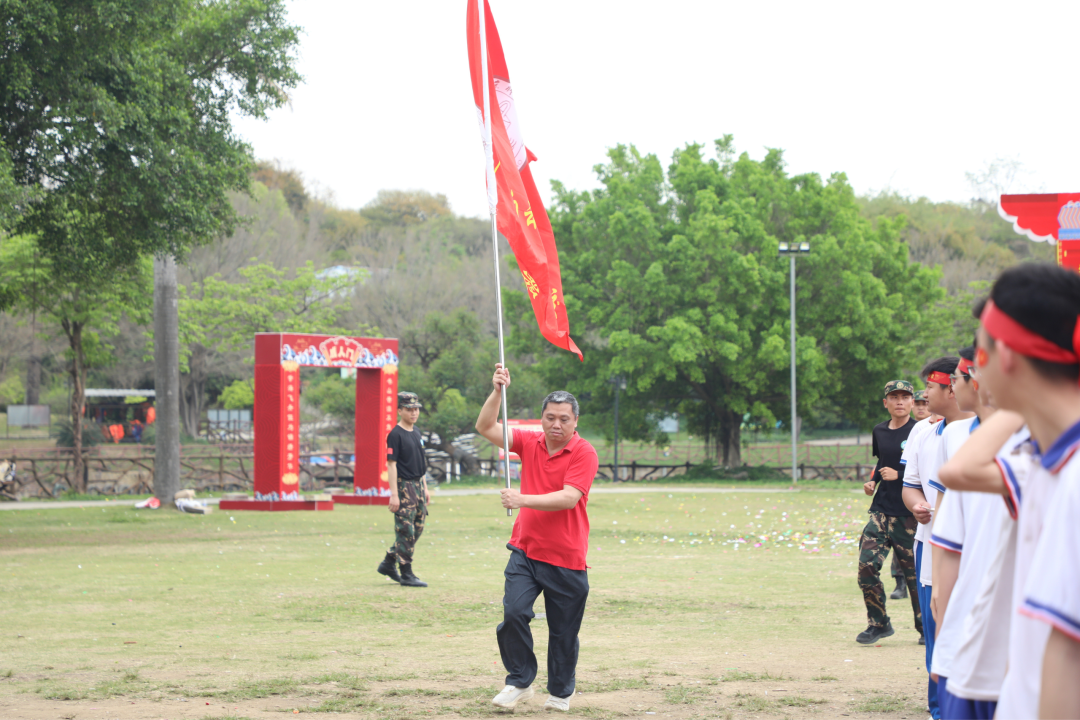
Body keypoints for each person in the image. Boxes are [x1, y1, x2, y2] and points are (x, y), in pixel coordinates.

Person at [939, 264, 1080, 719]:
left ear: (1010, 357)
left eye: (980, 351)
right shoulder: (1047, 461)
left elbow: (1066, 654)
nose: (974, 371)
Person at [475, 363, 598, 713]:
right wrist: (498, 391)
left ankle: (560, 690)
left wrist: (522, 499)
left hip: (567, 557)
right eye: (549, 418)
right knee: (513, 613)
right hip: (526, 551)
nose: (556, 425)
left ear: (576, 421)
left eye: (564, 419)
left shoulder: (584, 453)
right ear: (541, 418)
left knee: (563, 633)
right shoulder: (530, 441)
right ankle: (518, 681)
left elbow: (568, 498)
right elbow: (485, 426)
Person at [932, 341, 1031, 720]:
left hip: (1018, 651)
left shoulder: (1039, 448)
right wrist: (945, 642)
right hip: (971, 646)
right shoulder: (961, 438)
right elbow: (951, 551)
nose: (966, 379)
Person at [900, 356, 972, 719]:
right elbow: (911, 486)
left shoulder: (972, 432)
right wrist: (917, 507)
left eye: (932, 387)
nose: (923, 395)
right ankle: (939, 709)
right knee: (937, 634)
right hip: (932, 546)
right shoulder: (924, 432)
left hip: (969, 551)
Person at [856, 380, 922, 645]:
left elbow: (927, 468)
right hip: (881, 511)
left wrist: (900, 475)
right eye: (894, 397)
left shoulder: (921, 431)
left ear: (912, 402)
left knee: (915, 576)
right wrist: (874, 480)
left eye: (905, 397)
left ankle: (925, 628)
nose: (899, 402)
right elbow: (881, 462)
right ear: (886, 403)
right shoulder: (879, 431)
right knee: (867, 567)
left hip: (909, 514)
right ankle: (878, 623)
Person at [377, 391, 431, 588]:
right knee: (405, 529)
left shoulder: (416, 432)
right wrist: (394, 494)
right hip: (404, 485)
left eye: (416, 409)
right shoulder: (395, 435)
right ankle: (406, 573)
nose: (413, 413)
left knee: (417, 528)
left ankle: (389, 562)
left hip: (417, 484)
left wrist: (424, 487)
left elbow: (421, 461)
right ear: (400, 410)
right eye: (409, 409)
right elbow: (391, 465)